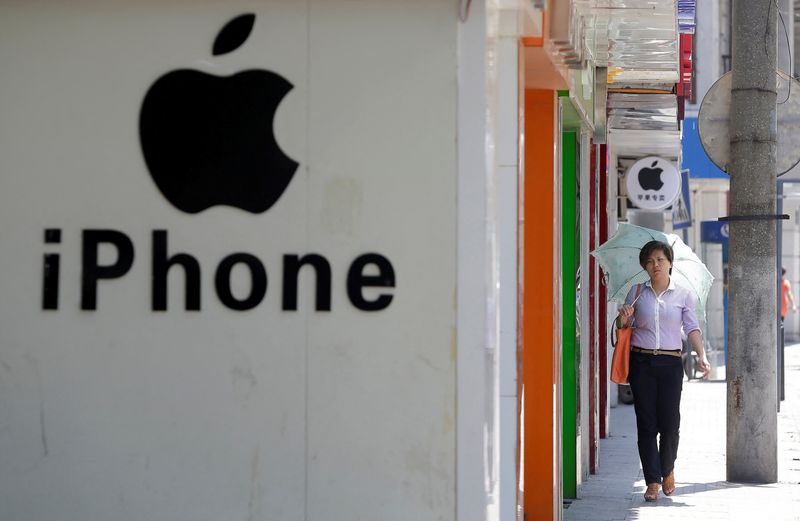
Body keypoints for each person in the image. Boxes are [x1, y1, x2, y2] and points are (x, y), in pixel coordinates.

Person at [617, 240, 710, 502]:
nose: (655, 265)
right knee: (646, 424)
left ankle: (667, 469)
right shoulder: (636, 293)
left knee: (670, 424)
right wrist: (624, 317)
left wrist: (702, 356)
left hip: (670, 364)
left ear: (670, 262)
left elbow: (692, 328)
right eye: (649, 261)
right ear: (644, 267)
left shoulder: (683, 295)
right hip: (641, 363)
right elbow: (623, 326)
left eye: (659, 259)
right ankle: (652, 481)